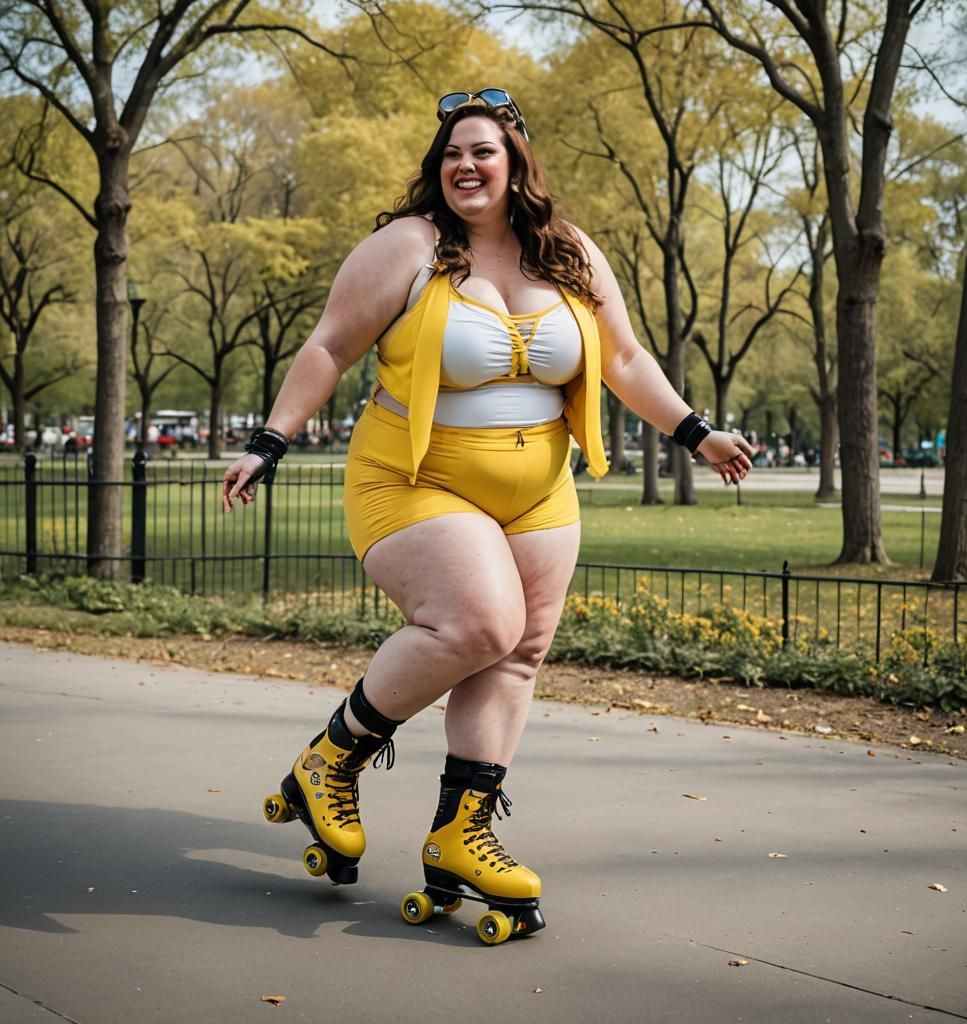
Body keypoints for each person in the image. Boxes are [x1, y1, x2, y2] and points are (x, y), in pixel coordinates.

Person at [222, 88, 754, 945]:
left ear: (516, 164)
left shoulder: (568, 252)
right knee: (480, 623)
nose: (465, 166)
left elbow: (622, 358)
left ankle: (460, 835)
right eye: (452, 154)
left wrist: (698, 433)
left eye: (483, 152)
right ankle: (331, 758)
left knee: (517, 655)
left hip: (540, 491)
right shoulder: (408, 247)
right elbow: (328, 345)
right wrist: (269, 442)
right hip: (413, 478)